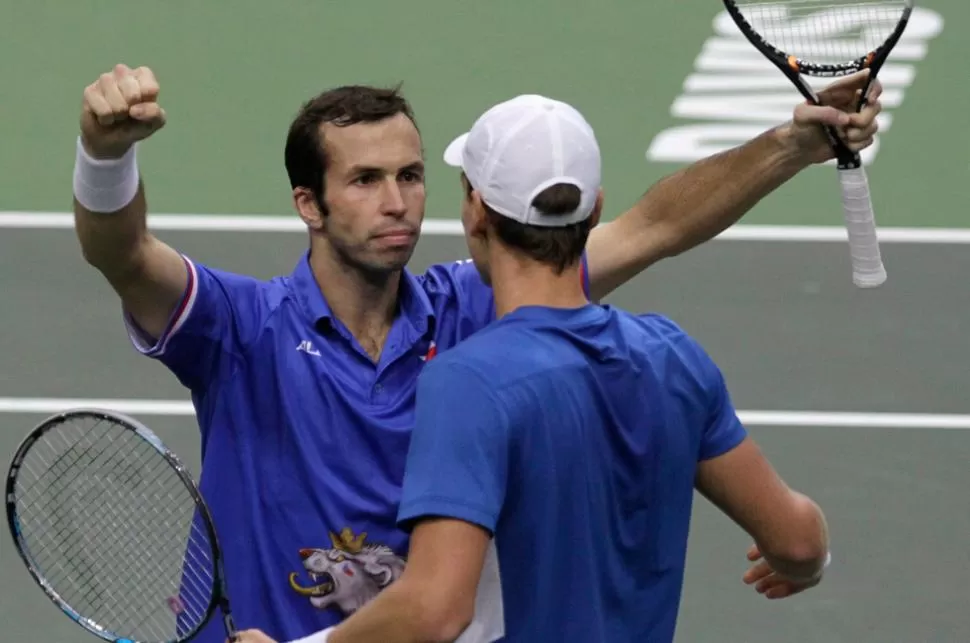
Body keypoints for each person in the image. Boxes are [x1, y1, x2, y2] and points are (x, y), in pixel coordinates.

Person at [72, 64, 874, 643]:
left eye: (413, 175)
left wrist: (790, 146)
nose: (397, 201)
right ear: (308, 204)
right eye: (366, 180)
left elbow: (655, 227)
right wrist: (105, 156)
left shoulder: (480, 309)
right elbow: (123, 252)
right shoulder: (241, 327)